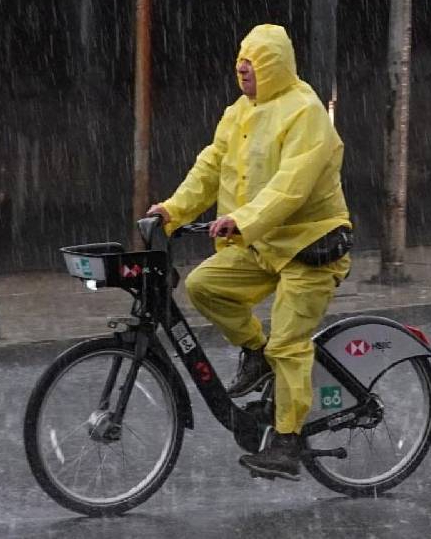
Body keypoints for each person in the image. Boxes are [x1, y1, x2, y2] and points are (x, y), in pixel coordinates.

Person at [147, 24, 353, 481]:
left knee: (289, 343)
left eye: (253, 68)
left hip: (309, 246)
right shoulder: (239, 112)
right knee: (204, 286)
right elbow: (210, 166)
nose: (244, 74)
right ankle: (255, 353)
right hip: (261, 243)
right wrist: (172, 210)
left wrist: (242, 220)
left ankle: (287, 440)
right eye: (241, 67)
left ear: (275, 67)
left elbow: (291, 186)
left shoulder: (306, 112)